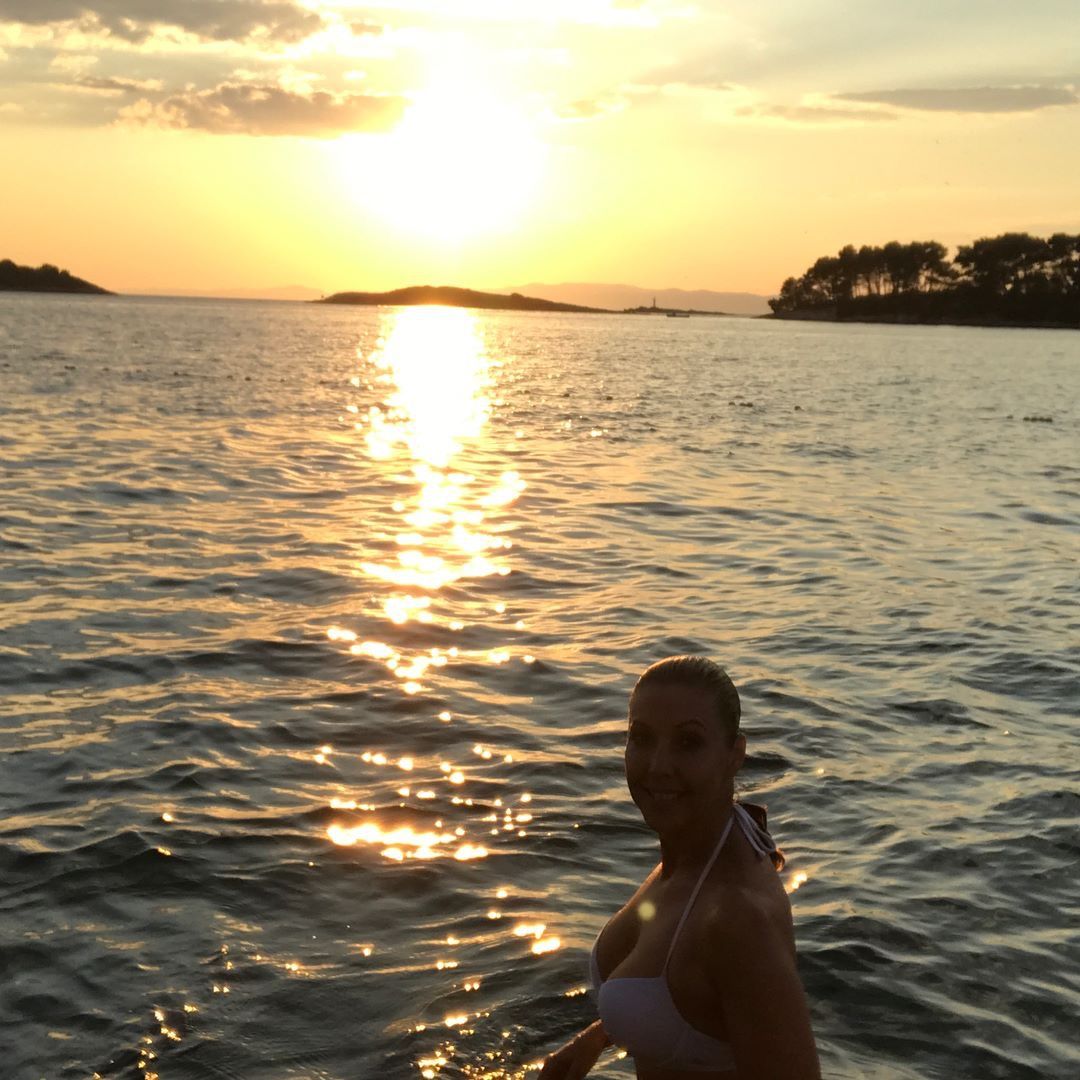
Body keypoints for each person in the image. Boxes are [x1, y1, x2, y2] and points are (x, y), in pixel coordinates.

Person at [540, 656, 820, 1079]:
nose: (658, 766)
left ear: (734, 754)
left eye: (688, 743)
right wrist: (599, 1035)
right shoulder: (692, 854)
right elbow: (699, 1007)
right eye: (642, 738)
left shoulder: (737, 918)